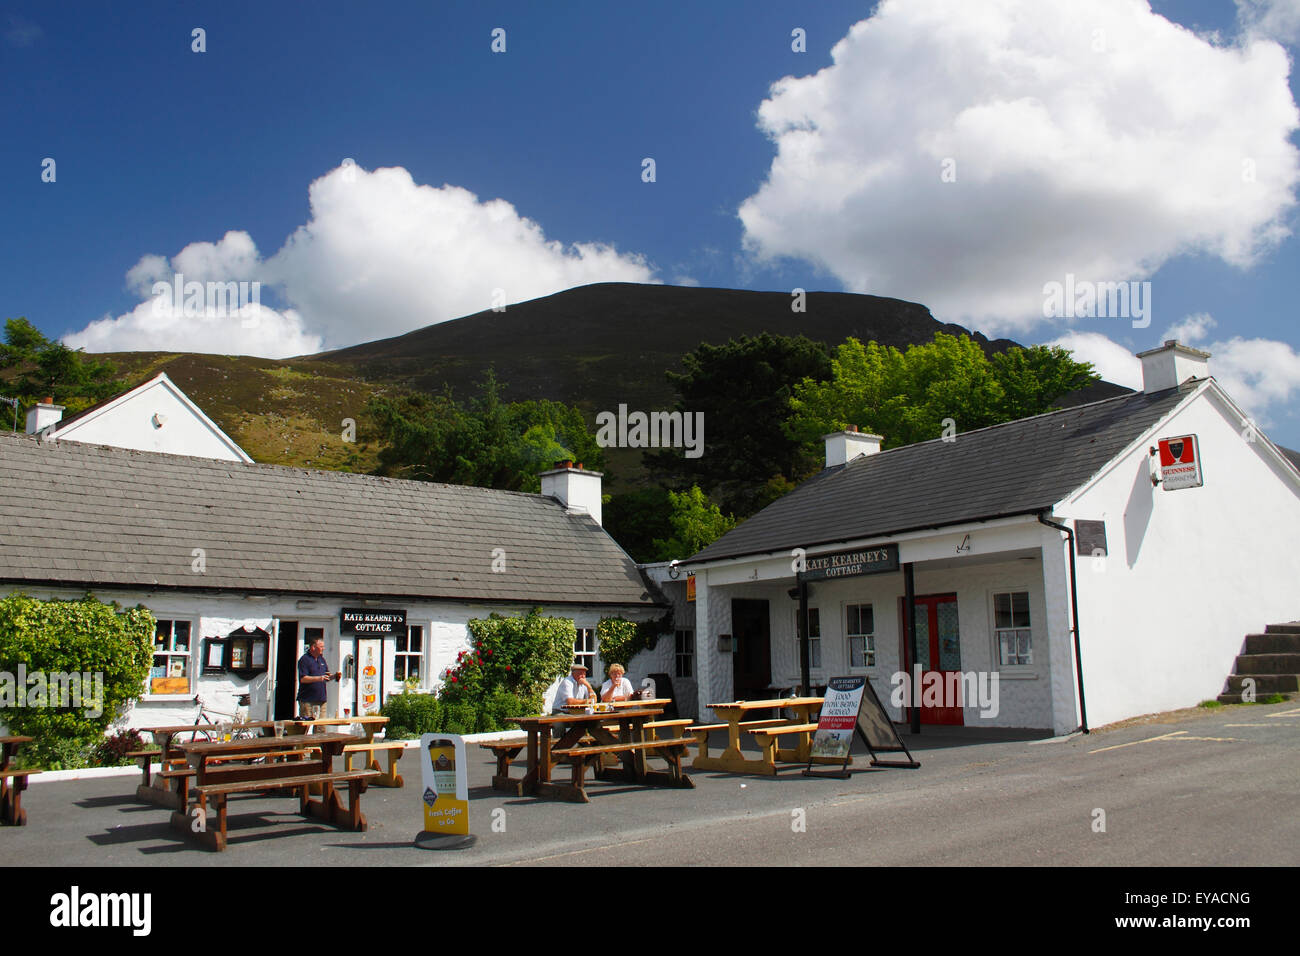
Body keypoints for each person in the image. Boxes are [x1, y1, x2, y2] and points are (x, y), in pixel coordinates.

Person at [297, 636, 341, 721]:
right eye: (321, 647)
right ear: (313, 647)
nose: (323, 648)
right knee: (306, 725)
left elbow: (326, 677)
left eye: (323, 646)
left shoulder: (322, 659)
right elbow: (303, 679)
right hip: (307, 700)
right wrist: (319, 678)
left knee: (321, 727)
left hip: (321, 699)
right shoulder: (304, 659)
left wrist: (334, 676)